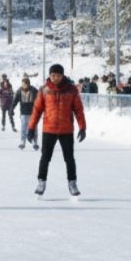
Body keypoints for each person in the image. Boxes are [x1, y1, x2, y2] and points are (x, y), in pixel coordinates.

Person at [27, 64, 87, 198]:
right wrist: (31, 127)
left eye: (58, 75)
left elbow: (78, 110)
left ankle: (72, 183)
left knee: (69, 158)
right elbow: (36, 110)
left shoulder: (71, 90)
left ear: (62, 75)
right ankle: (41, 181)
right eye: (53, 75)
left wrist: (82, 127)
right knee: (45, 158)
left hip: (66, 130)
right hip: (49, 129)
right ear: (50, 75)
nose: (55, 78)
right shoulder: (44, 90)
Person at [12, 77, 38, 150]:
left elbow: (40, 100)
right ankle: (22, 142)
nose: (22, 85)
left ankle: (35, 142)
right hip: (24, 112)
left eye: (24, 84)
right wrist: (12, 109)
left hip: (33, 112)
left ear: (28, 84)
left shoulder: (34, 90)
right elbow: (15, 100)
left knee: (34, 127)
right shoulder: (19, 91)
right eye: (22, 84)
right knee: (23, 127)